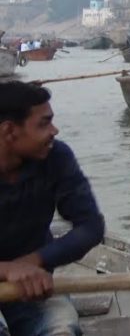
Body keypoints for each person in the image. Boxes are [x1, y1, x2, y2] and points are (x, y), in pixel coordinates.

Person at [0, 81, 106, 336]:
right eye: (43, 123)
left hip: (33, 287)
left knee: (62, 329)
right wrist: (8, 269)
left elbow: (91, 226)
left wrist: (35, 262)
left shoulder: (55, 157)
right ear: (9, 131)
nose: (54, 131)